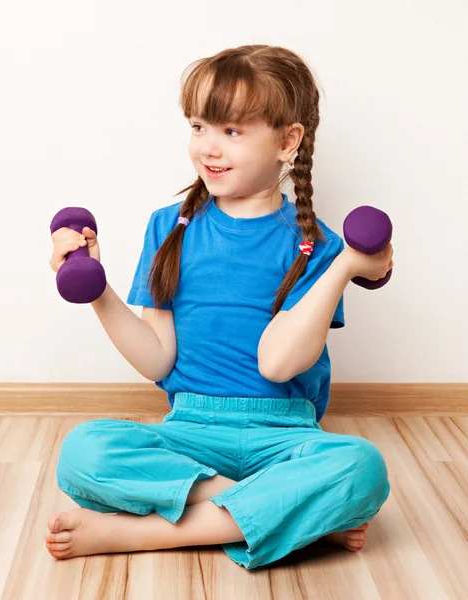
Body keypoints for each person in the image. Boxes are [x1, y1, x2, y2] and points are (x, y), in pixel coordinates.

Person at [47, 44, 393, 570]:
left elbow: (277, 365)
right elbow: (157, 362)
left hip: (286, 437)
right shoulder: (169, 228)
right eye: (199, 126)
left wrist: (344, 265)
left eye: (232, 132)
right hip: (190, 432)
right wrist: (98, 291)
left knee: (362, 468)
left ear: (288, 140)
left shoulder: (317, 246)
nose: (209, 146)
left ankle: (142, 533)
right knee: (83, 452)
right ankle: (281, 509)